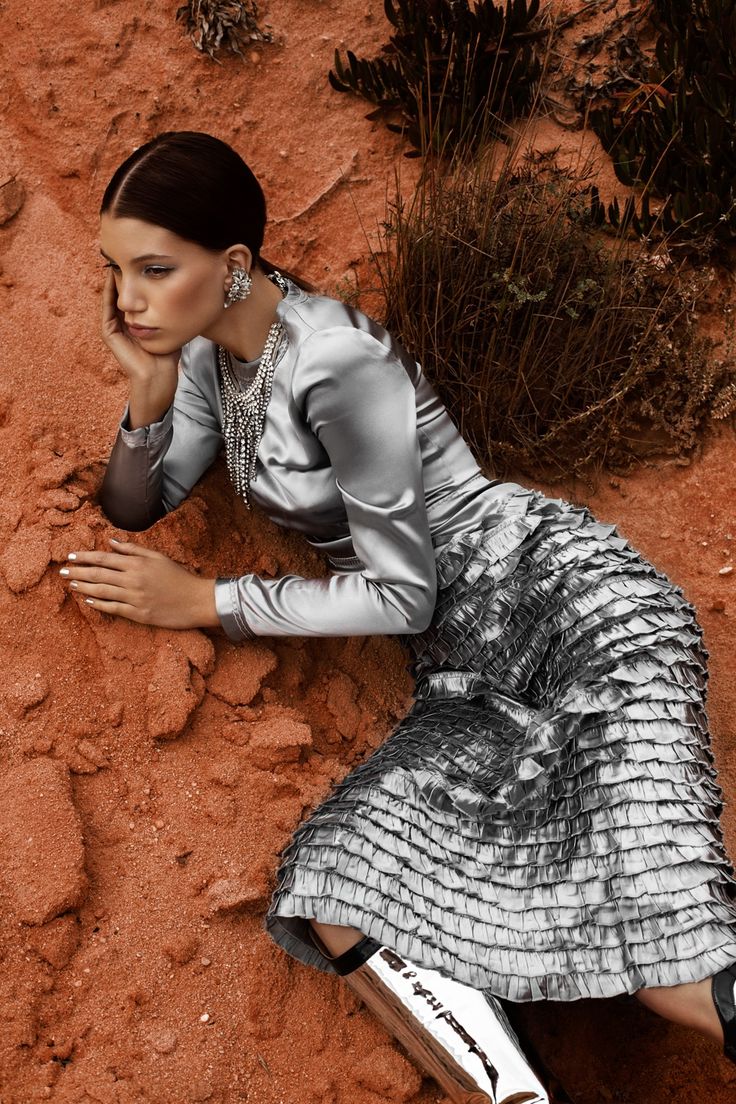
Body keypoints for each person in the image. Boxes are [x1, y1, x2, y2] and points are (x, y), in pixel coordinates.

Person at [62, 130, 736, 1100]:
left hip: (565, 607)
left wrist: (211, 603)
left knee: (673, 963)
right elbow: (133, 501)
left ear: (235, 264)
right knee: (337, 887)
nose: (128, 299)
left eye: (155, 269)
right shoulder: (214, 359)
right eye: (115, 272)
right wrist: (147, 389)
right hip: (464, 670)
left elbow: (401, 592)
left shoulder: (333, 360)